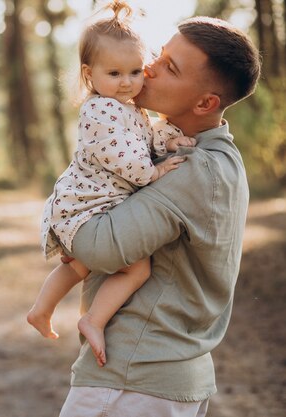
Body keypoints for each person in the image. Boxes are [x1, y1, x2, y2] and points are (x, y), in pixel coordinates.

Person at [56, 11, 261, 417]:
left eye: (169, 67)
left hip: (134, 378)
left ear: (205, 102)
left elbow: (100, 248)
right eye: (159, 54)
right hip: (162, 377)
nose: (148, 69)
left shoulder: (192, 168)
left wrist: (69, 234)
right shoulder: (214, 156)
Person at [27, 0, 194, 367]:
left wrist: (168, 140)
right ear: (89, 74)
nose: (126, 82)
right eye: (115, 73)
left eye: (135, 72)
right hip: (86, 209)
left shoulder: (128, 108)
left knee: (78, 267)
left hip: (92, 208)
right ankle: (93, 319)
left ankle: (42, 309)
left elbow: (145, 139)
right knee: (137, 269)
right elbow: (122, 157)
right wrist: (154, 173)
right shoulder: (99, 110)